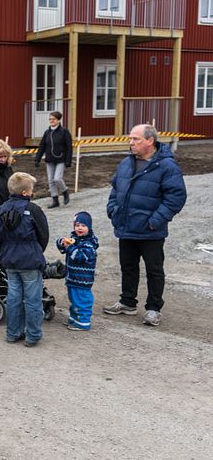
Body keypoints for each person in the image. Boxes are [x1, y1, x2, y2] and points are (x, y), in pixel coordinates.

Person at [103, 124, 187, 327]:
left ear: (150, 141)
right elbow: (115, 189)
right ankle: (127, 302)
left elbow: (176, 197)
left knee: (154, 270)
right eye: (130, 139)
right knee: (128, 267)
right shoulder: (126, 163)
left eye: (135, 139)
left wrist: (155, 221)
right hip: (126, 227)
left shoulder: (167, 166)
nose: (131, 143)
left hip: (151, 231)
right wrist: (113, 210)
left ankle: (153, 309)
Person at [0, 172, 49, 347]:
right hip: (30, 259)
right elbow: (43, 235)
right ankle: (33, 335)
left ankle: (13, 333)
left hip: (9, 259)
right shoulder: (34, 210)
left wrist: (3, 252)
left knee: (13, 296)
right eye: (32, 189)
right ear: (25, 192)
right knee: (32, 299)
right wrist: (37, 251)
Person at [56, 211, 99, 331]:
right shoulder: (75, 239)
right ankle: (75, 318)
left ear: (89, 227)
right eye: (77, 225)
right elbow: (64, 249)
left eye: (83, 226)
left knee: (82, 300)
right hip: (72, 277)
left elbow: (79, 256)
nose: (80, 228)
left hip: (82, 279)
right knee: (74, 299)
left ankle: (83, 322)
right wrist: (62, 243)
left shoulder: (89, 244)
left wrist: (69, 247)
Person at [34, 111, 72, 208]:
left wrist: (68, 160)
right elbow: (42, 146)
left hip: (61, 159)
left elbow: (69, 147)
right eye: (50, 119)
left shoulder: (64, 132)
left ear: (58, 120)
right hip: (50, 159)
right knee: (51, 180)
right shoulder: (47, 133)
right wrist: (37, 158)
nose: (51, 121)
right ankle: (55, 200)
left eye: (53, 119)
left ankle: (65, 191)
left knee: (57, 179)